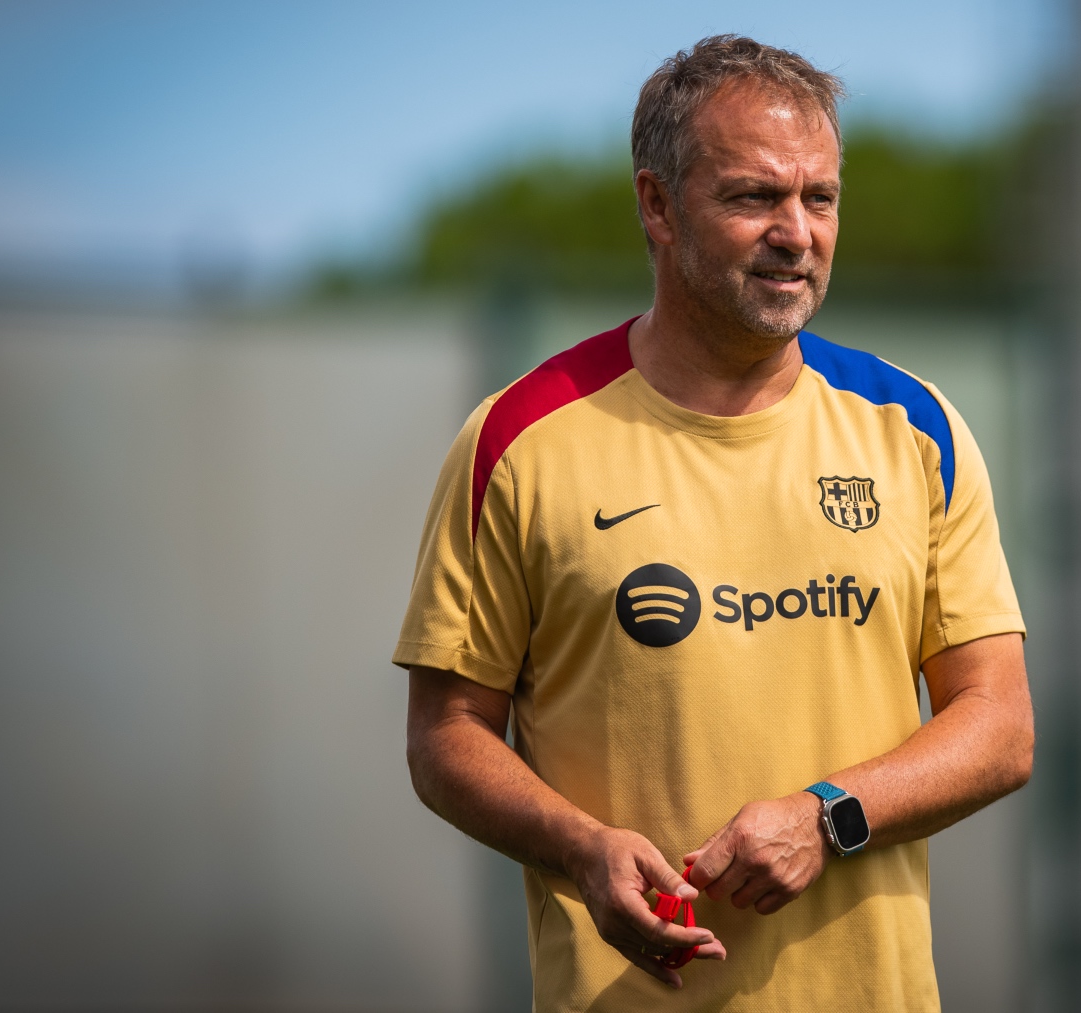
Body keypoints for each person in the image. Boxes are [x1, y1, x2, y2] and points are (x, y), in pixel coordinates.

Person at [397, 34, 1032, 1011]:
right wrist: (578, 846)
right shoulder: (520, 440)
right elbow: (447, 734)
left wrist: (830, 815)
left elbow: (999, 724)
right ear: (657, 205)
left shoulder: (918, 429)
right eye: (753, 197)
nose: (797, 231)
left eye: (819, 198)